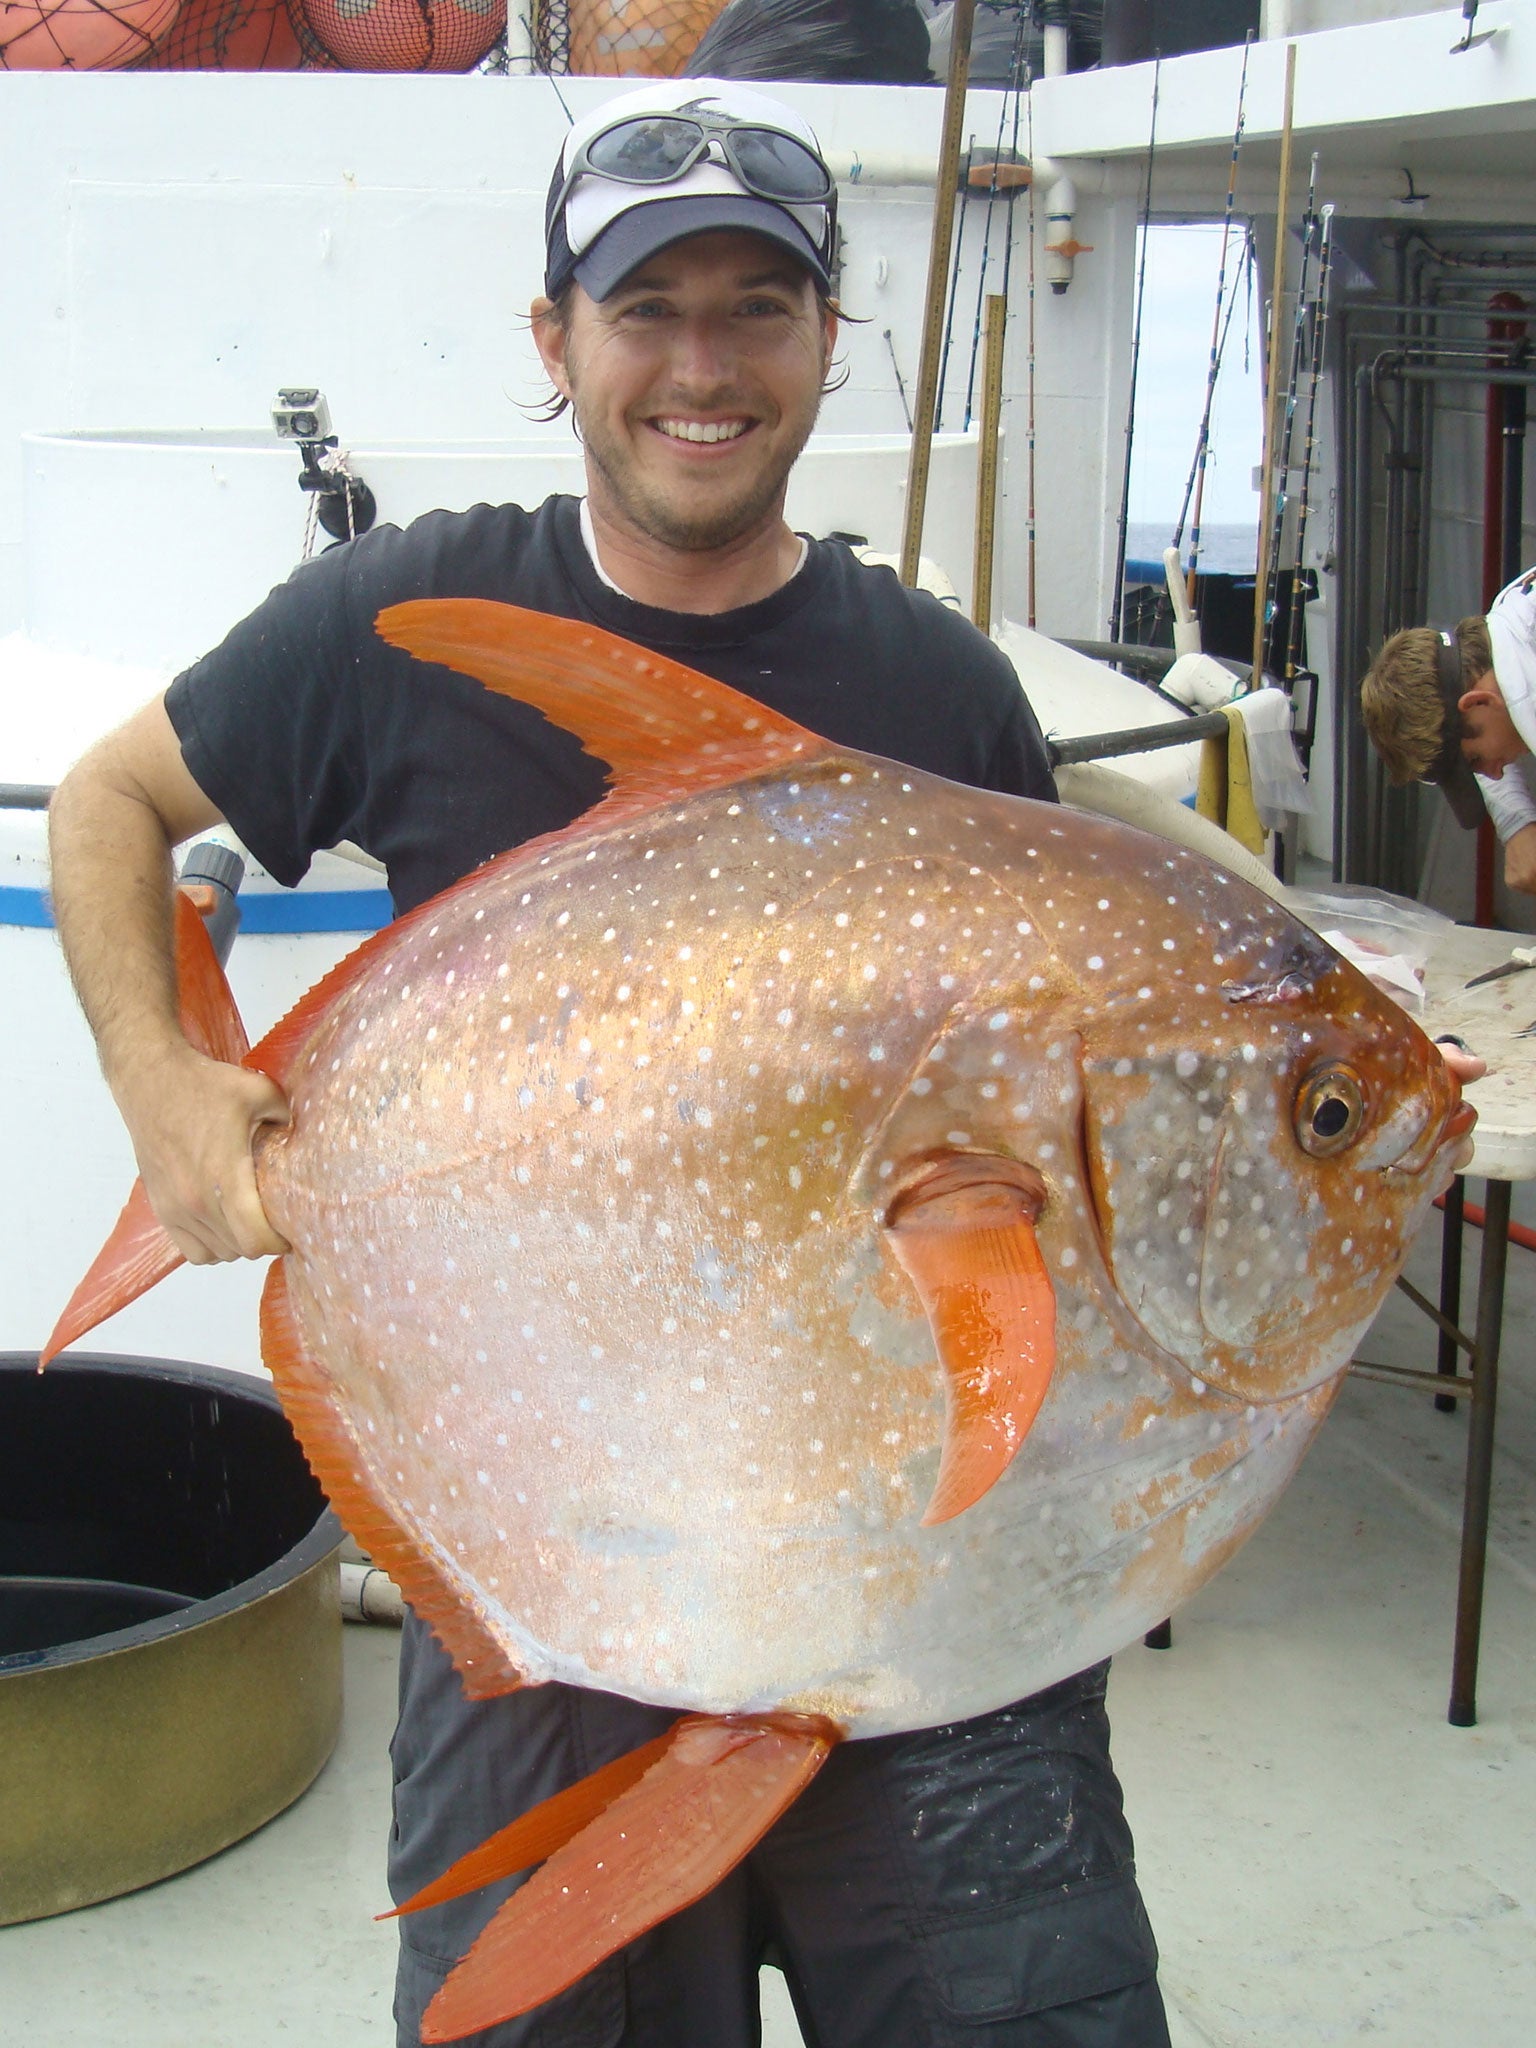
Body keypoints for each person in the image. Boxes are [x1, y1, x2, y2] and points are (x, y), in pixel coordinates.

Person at [47, 77, 1173, 2047]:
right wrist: (168, 1091)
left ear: (833, 340)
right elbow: (110, 803)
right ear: (554, 340)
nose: (702, 366)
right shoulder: (395, 621)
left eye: (759, 307)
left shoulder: (942, 692)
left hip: (901, 1566)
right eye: (648, 308)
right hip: (548, 1549)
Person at [1359, 565, 1536, 896]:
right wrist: (1518, 823)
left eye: (1476, 760)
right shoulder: (1509, 624)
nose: (1495, 774)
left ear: (1477, 702)